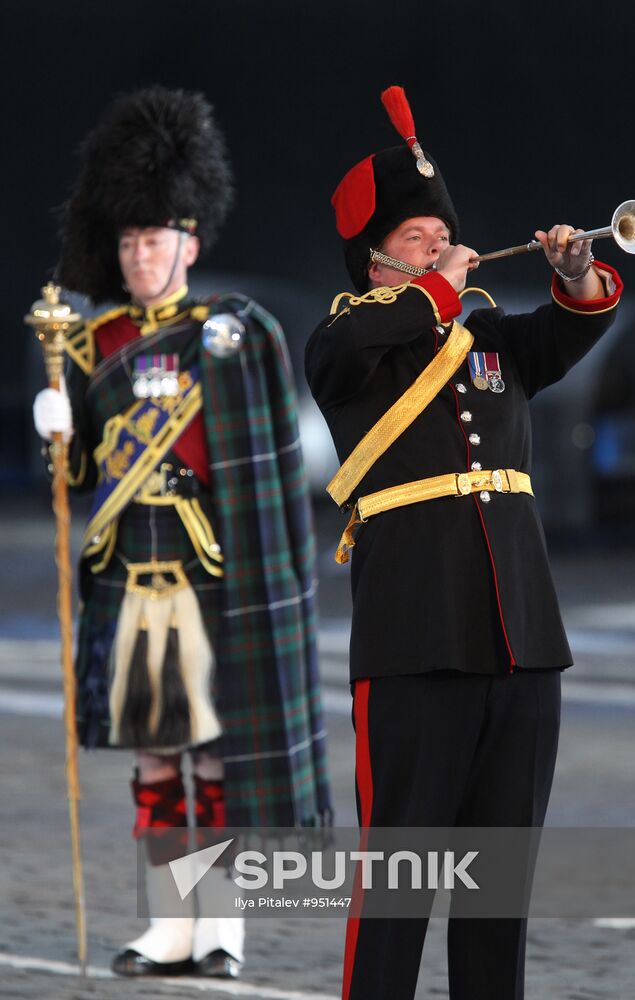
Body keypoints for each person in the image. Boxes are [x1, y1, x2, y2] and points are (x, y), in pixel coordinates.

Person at [305, 86, 623, 1000]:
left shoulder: (485, 337)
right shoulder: (346, 338)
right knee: (399, 886)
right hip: (415, 640)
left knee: (497, 893)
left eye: (443, 236)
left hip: (519, 640)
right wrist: (441, 286)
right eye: (416, 241)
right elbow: (348, 352)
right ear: (372, 264)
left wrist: (570, 272)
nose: (441, 249)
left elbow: (566, 333)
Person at [33, 86, 332, 978]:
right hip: (132, 575)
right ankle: (170, 925)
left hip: (211, 576)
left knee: (217, 762)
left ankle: (222, 928)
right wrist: (58, 433)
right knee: (158, 762)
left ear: (189, 245)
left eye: (154, 240)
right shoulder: (97, 344)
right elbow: (81, 479)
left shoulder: (230, 333)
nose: (138, 256)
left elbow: (267, 466)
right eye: (127, 242)